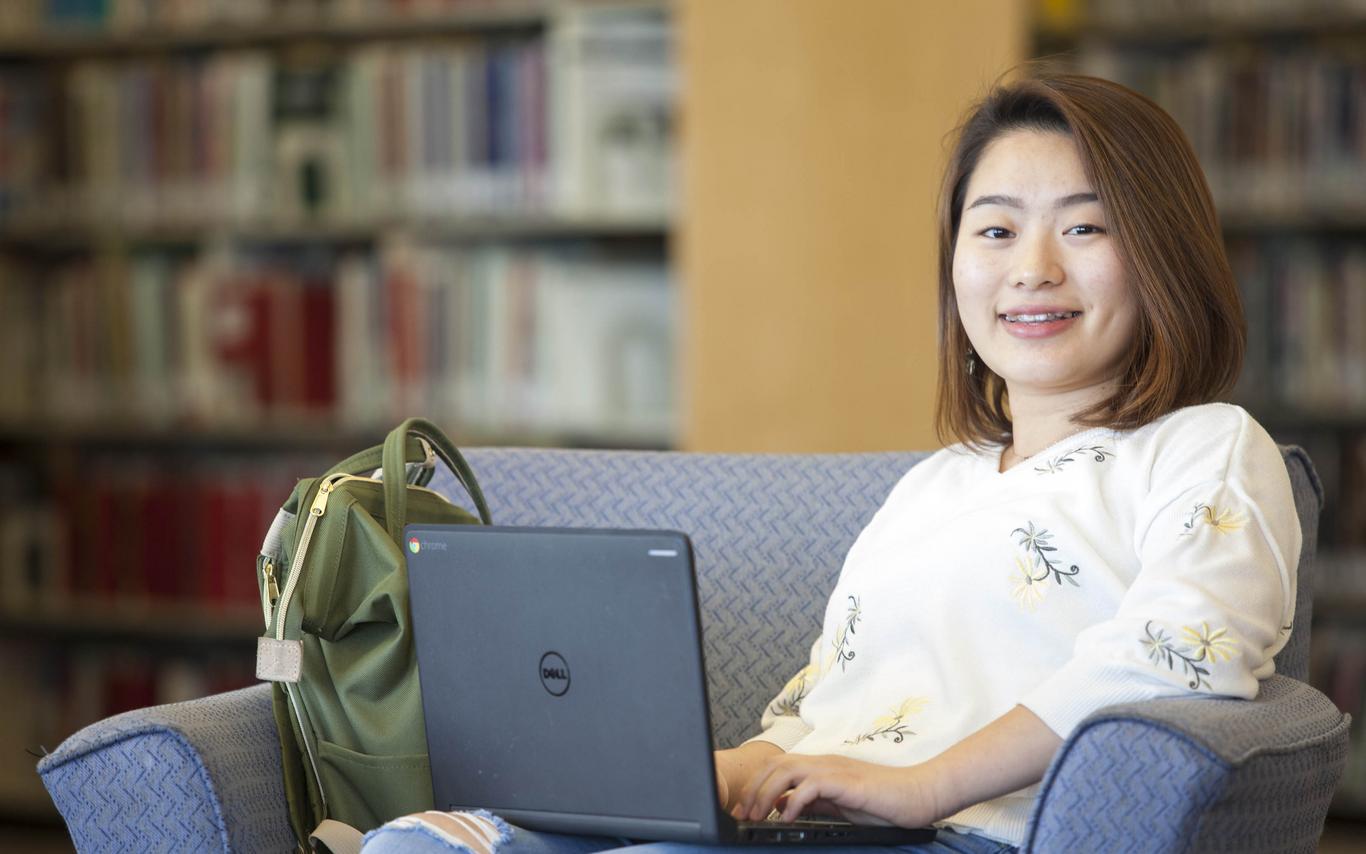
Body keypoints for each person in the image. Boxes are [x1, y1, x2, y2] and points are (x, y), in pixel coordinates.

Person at [362, 71, 1302, 854]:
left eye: (1085, 227)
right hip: (814, 827)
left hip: (963, 834)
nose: (1033, 268)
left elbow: (1176, 660)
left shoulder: (1207, 448)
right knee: (419, 843)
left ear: (1164, 256)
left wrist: (919, 787)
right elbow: (826, 712)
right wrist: (709, 776)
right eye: (997, 229)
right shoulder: (932, 486)